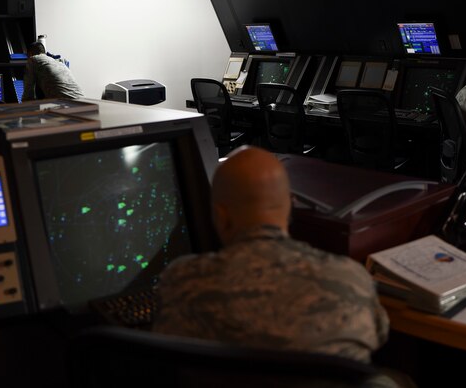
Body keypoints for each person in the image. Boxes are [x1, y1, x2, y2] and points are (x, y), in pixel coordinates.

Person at [154, 146, 393, 385]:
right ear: (290, 205)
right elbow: (379, 335)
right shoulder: (351, 278)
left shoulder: (184, 282)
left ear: (220, 215)